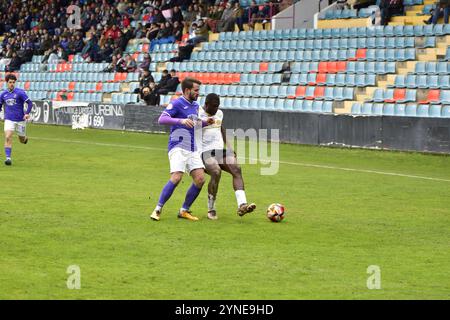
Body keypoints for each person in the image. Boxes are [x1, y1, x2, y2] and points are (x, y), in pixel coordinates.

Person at [150, 78, 213, 222]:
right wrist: (180, 121)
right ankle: (157, 209)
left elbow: (194, 123)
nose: (198, 93)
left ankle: (184, 210)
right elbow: (162, 119)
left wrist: (205, 123)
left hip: (191, 147)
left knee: (200, 179)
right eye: (196, 90)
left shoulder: (196, 105)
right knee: (177, 177)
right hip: (177, 145)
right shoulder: (177, 103)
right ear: (187, 90)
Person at [198, 93, 256, 220]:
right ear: (206, 105)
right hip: (204, 151)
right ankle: (211, 208)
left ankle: (242, 205)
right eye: (213, 107)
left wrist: (229, 146)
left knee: (236, 168)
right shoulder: (197, 112)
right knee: (216, 171)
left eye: (217, 106)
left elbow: (221, 128)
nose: (215, 109)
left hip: (220, 150)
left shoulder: (219, 113)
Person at [0, 74, 33, 166]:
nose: (12, 84)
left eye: (13, 82)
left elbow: (30, 103)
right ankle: (8, 158)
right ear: (6, 83)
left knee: (21, 140)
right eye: (10, 82)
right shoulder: (3, 94)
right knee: (8, 136)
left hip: (20, 120)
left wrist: (26, 113)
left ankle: (24, 138)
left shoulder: (20, 92)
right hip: (9, 119)